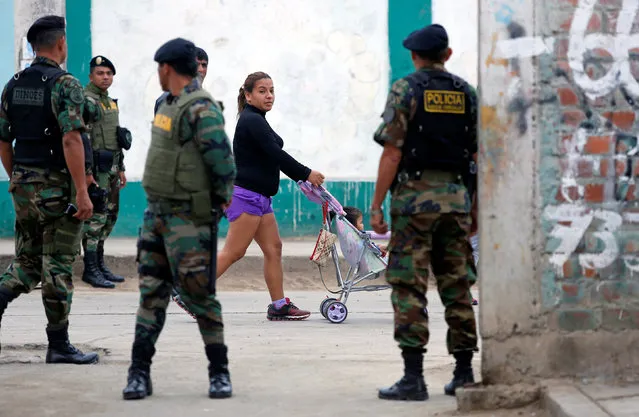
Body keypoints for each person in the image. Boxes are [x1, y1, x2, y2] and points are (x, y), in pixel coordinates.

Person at [369, 24, 479, 401]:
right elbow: (478, 155)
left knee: (409, 284)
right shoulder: (467, 92)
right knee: (457, 283)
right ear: (447, 55)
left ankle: (413, 378)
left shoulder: (406, 89)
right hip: (457, 200)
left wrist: (376, 204)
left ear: (416, 57)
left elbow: (392, 152)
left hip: (414, 203)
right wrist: (474, 205)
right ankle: (464, 373)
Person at [122, 38, 236, 400]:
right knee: (151, 295)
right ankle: (138, 373)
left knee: (200, 296)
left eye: (158, 68)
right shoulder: (167, 105)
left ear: (166, 69)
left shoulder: (201, 108)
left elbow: (223, 165)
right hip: (155, 216)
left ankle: (219, 373)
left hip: (189, 219)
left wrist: (213, 210)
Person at [0, 15, 99, 364]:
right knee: (57, 264)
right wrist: (81, 192)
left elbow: (3, 140)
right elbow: (72, 138)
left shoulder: (13, 85)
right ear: (60, 44)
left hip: (23, 185)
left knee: (27, 262)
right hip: (58, 187)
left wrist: (20, 179)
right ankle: (58, 345)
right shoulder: (65, 84)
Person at [216, 71, 324, 321]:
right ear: (248, 94)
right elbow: (276, 154)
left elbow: (271, 153)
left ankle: (278, 305)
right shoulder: (251, 120)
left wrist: (303, 176)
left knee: (274, 248)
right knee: (234, 252)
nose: (269, 96)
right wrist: (306, 174)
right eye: (262, 91)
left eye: (272, 90)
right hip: (247, 197)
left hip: (261, 198)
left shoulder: (258, 119)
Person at [81, 55, 132, 289]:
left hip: (111, 168)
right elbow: (83, 139)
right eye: (100, 73)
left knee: (109, 217)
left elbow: (115, 137)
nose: (105, 77)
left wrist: (120, 168)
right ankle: (90, 269)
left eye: (109, 74)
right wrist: (87, 172)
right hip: (95, 171)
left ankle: (99, 264)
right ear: (91, 76)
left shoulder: (110, 102)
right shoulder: (86, 101)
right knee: (96, 218)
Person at [154, 47, 211, 115]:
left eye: (204, 65)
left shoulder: (205, 98)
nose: (201, 69)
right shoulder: (167, 100)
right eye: (196, 65)